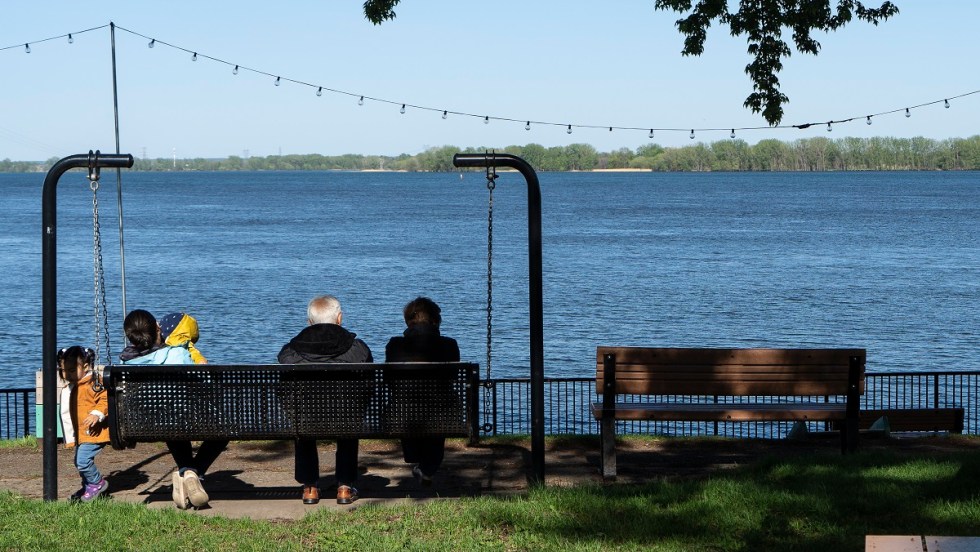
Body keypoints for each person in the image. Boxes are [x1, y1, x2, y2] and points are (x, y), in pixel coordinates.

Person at [120, 308, 228, 510]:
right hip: (182, 418)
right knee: (221, 427)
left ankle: (187, 472)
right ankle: (191, 473)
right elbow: (202, 385)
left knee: (169, 422)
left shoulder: (125, 362)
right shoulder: (177, 353)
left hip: (142, 424)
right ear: (157, 328)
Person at [278, 295, 373, 505]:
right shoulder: (358, 350)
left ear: (309, 322)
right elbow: (369, 387)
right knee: (350, 416)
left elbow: (284, 391)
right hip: (346, 418)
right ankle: (345, 487)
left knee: (302, 420)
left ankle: (310, 487)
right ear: (339, 318)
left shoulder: (290, 352)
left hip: (307, 420)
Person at [384, 297, 460, 486]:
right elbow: (454, 376)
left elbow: (388, 379)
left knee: (405, 407)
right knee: (439, 410)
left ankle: (419, 460)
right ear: (435, 320)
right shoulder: (449, 345)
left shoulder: (394, 345)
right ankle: (427, 468)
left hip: (401, 414)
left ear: (408, 320)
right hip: (443, 413)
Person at [59, 346, 110, 502]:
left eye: (72, 370)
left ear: (86, 366)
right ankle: (88, 485)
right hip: (82, 433)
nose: (68, 375)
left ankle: (97, 482)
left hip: (94, 432)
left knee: (82, 461)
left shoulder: (92, 383)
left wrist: (97, 414)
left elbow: (105, 398)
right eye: (64, 371)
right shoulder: (73, 387)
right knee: (78, 461)